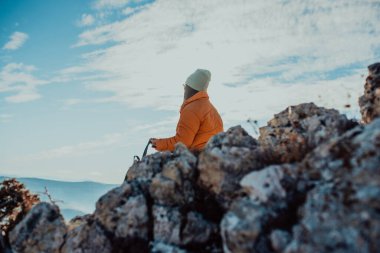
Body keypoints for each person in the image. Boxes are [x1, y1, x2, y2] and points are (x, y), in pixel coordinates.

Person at [151, 69, 223, 152]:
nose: (184, 90)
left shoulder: (191, 110)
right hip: (214, 156)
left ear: (190, 88)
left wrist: (158, 143)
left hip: (199, 157)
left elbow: (182, 143)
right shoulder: (212, 109)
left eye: (185, 86)